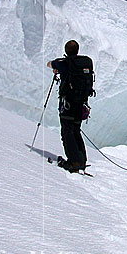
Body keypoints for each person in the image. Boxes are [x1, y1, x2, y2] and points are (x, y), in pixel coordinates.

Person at [47, 40, 94, 173]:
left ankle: (74, 162)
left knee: (67, 132)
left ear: (66, 51)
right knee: (76, 130)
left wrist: (58, 67)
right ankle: (81, 160)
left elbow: (49, 64)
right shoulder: (86, 62)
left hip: (68, 104)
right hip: (81, 104)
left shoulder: (65, 63)